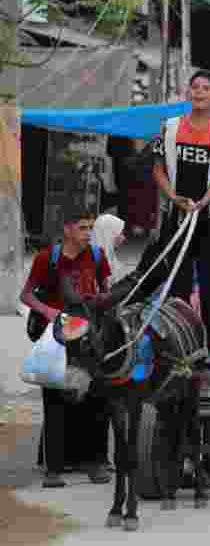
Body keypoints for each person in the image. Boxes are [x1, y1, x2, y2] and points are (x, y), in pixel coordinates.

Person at [21, 206, 112, 488]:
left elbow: (106, 290)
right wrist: (48, 311)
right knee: (55, 401)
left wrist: (103, 301)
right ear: (68, 230)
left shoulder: (97, 256)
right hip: (57, 337)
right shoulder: (47, 259)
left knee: (97, 398)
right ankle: (54, 470)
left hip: (89, 338)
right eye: (83, 228)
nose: (88, 234)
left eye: (91, 228)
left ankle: (96, 464)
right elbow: (25, 296)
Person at [149, 70, 210, 348]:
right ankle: (179, 341)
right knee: (178, 278)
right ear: (188, 92)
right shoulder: (169, 127)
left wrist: (204, 201)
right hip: (176, 213)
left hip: (208, 216)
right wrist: (173, 197)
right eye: (195, 87)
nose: (199, 92)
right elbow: (158, 170)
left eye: (206, 88)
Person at [91, 213, 128, 284]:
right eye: (120, 233)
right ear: (108, 233)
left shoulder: (110, 258)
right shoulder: (93, 260)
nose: (123, 238)